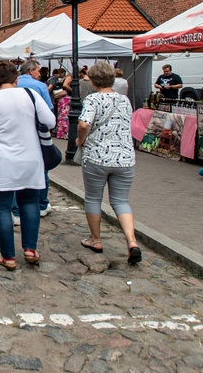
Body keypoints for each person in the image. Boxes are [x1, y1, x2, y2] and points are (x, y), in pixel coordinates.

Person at [0, 62, 57, 270]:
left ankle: (7, 255)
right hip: (30, 157)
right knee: (30, 202)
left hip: (1, 159)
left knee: (1, 207)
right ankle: (30, 248)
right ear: (16, 79)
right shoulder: (30, 95)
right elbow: (50, 121)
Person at [75, 61, 141, 264]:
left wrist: (80, 139)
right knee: (121, 201)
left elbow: (85, 123)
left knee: (94, 198)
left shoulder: (92, 99)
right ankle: (131, 241)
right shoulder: (124, 100)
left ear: (93, 82)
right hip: (124, 157)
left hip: (97, 156)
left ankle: (95, 240)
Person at [15, 59, 55, 221]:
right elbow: (49, 111)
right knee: (42, 167)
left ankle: (16, 206)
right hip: (36, 132)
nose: (39, 73)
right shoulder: (39, 87)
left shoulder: (14, 85)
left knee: (16, 168)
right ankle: (41, 203)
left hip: (16, 132)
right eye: (38, 70)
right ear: (31, 71)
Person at [55, 69, 74, 139]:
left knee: (62, 115)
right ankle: (64, 133)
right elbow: (65, 85)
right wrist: (73, 90)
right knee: (65, 116)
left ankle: (61, 133)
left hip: (62, 99)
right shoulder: (69, 77)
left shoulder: (65, 77)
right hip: (65, 98)